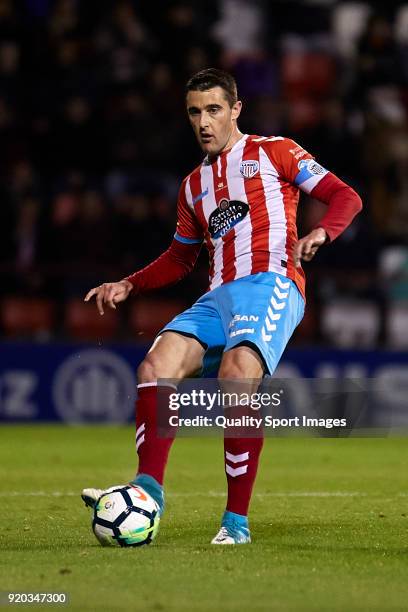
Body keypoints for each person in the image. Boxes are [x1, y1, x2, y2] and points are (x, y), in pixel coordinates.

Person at [81, 68, 362, 544]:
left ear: (235, 110)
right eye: (195, 112)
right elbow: (180, 257)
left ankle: (235, 523)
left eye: (214, 110)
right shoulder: (192, 186)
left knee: (236, 376)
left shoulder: (276, 151)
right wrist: (130, 283)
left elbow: (345, 196)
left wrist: (322, 232)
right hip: (217, 297)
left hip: (271, 283)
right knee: (155, 366)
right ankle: (148, 490)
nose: (204, 122)